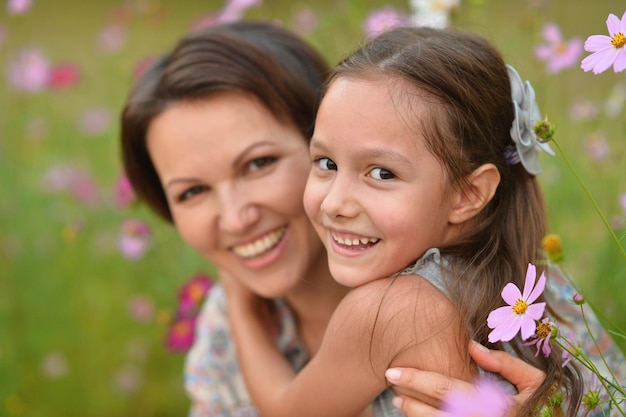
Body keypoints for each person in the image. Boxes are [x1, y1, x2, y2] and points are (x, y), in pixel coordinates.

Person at [119, 20, 622, 417]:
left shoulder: (533, 306)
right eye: (192, 192)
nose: (234, 218)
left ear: (469, 194)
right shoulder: (220, 339)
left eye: (259, 163)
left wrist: (237, 301)